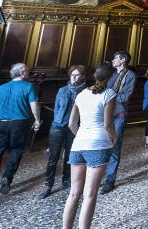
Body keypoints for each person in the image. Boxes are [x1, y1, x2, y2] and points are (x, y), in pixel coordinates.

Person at [62, 63, 117, 229]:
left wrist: (82, 135)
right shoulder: (109, 93)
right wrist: (114, 138)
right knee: (90, 194)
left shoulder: (81, 94)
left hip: (78, 144)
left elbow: (71, 123)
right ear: (111, 77)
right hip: (98, 144)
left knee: (73, 193)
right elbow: (107, 124)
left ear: (94, 76)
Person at [0, 63, 41, 197]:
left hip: (0, 123)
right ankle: (7, 176)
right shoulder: (28, 86)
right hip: (19, 123)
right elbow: (34, 104)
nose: (29, 73)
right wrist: (37, 120)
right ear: (22, 73)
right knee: (16, 150)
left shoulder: (1, 88)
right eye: (27, 71)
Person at [38, 65, 86, 199]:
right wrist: (58, 122)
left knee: (69, 156)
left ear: (82, 77)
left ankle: (66, 180)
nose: (73, 77)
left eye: (76, 75)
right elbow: (57, 108)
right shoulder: (63, 90)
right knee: (53, 157)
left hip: (74, 127)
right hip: (58, 126)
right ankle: (48, 184)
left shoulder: (85, 92)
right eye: (72, 75)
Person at [101, 51, 136, 194]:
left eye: (115, 58)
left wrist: (109, 96)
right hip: (106, 113)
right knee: (102, 143)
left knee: (115, 145)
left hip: (119, 113)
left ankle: (110, 179)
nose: (112, 60)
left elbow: (125, 95)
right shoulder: (112, 74)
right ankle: (98, 175)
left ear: (122, 60)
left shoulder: (130, 75)